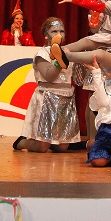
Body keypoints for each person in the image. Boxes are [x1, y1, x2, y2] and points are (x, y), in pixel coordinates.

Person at [13, 17, 80, 152]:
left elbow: (78, 79)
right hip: (47, 99)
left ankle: (51, 142)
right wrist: (60, 61)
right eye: (54, 31)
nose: (59, 34)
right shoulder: (42, 54)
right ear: (45, 35)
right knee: (42, 147)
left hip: (65, 99)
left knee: (62, 147)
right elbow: (49, 76)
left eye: (61, 31)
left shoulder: (68, 52)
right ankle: (22, 142)